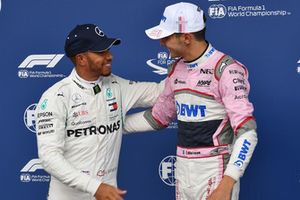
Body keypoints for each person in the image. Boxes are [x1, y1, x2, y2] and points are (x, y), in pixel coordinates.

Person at [124, 2, 258, 200]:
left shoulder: (226, 70)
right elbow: (158, 118)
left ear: (186, 37)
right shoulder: (175, 69)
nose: (161, 42)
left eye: (167, 37)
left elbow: (247, 132)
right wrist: (115, 125)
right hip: (183, 170)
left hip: (216, 171)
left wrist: (226, 184)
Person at [35, 23, 164, 200]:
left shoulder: (117, 85)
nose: (109, 56)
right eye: (101, 52)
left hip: (107, 195)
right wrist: (95, 187)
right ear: (81, 59)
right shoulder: (56, 97)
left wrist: (186, 68)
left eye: (108, 50)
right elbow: (49, 157)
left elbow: (159, 93)